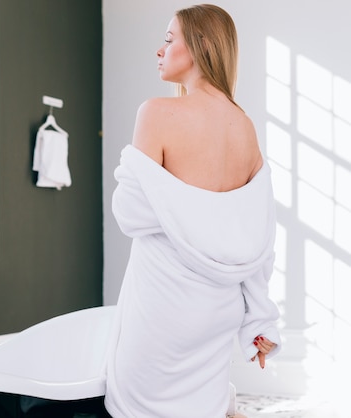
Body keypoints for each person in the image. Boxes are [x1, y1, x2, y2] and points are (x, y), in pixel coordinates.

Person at [104, 4, 281, 417]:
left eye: (169, 39)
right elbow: (256, 236)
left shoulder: (157, 113)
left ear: (200, 46)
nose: (159, 50)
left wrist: (164, 202)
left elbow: (129, 211)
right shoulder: (245, 128)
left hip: (162, 309)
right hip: (216, 313)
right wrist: (260, 321)